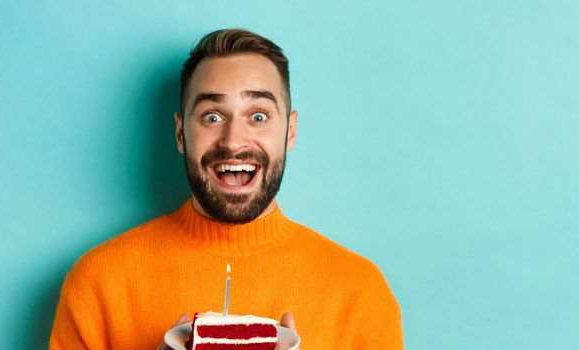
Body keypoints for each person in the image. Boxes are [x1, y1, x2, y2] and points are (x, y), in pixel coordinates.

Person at [49, 28, 404, 349]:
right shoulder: (98, 283)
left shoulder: (361, 291)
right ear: (179, 134)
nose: (234, 141)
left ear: (290, 131)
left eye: (259, 116)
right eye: (212, 116)